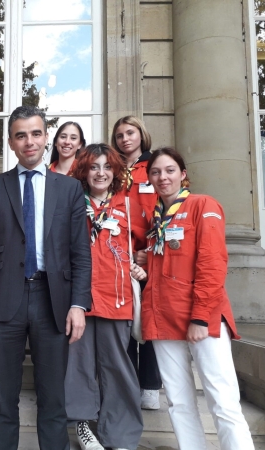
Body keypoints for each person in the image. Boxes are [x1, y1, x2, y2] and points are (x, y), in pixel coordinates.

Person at [0, 105, 92, 450]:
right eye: (21, 135)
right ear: (11, 142)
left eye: (36, 133)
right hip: (3, 302)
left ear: (45, 137)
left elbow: (80, 253)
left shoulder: (69, 189)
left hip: (53, 302)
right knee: (4, 400)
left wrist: (79, 304)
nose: (29, 141)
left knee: (53, 400)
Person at [143, 147, 255, 450]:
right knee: (179, 403)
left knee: (223, 401)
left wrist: (200, 317)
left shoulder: (203, 205)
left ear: (183, 174)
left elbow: (212, 264)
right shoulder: (155, 220)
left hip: (201, 320)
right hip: (163, 319)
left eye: (169, 170)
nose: (162, 177)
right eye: (155, 172)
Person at [67, 144, 149, 450]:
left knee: (117, 365)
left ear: (115, 171)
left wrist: (141, 267)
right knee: (79, 364)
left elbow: (146, 246)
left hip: (117, 298)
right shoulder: (73, 204)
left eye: (106, 167)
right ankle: (84, 425)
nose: (100, 173)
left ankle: (120, 433)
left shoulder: (127, 205)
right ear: (84, 172)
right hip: (80, 297)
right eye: (93, 167)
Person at [111, 115, 163, 410]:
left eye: (129, 133)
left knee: (151, 319)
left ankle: (151, 384)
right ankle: (128, 380)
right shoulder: (114, 168)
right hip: (120, 255)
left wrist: (152, 251)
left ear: (141, 134)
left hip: (149, 255)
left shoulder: (155, 165)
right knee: (126, 317)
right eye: (119, 135)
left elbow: (167, 207)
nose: (125, 139)